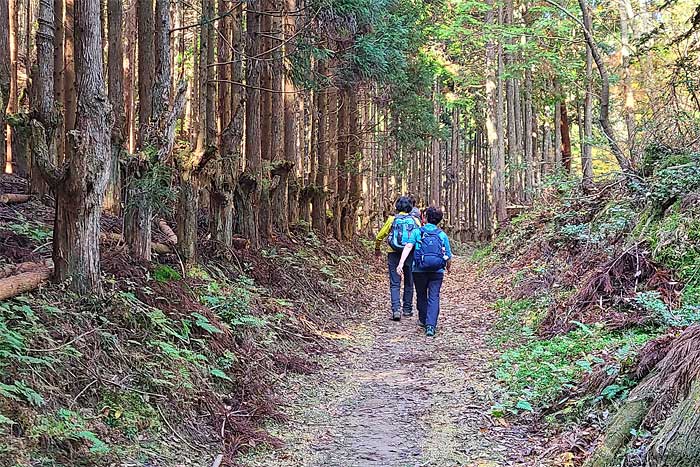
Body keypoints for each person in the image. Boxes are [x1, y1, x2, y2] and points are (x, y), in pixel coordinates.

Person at [396, 206, 452, 337]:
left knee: (421, 294)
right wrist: (448, 267)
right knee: (434, 296)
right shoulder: (442, 235)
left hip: (418, 269)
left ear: (425, 218)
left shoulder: (417, 232)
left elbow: (409, 246)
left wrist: (401, 263)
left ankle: (423, 319)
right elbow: (448, 255)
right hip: (437, 270)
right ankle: (431, 326)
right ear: (439, 220)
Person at [375, 196, 422, 321]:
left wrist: (377, 249)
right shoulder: (415, 220)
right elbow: (420, 237)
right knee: (409, 282)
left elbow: (379, 236)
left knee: (395, 283)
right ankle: (407, 309)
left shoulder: (392, 219)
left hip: (393, 253)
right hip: (410, 254)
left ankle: (396, 310)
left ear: (397, 206)